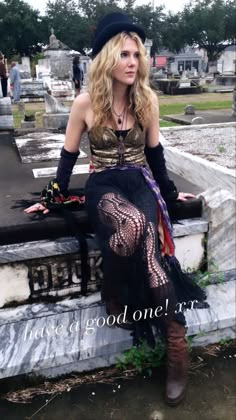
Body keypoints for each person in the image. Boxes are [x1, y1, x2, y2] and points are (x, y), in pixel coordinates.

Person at [24, 13, 207, 406]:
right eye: (124, 54)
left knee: (147, 243)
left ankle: (176, 347)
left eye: (136, 55)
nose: (132, 62)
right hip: (104, 185)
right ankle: (120, 297)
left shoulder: (147, 100)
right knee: (137, 224)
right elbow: (68, 157)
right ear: (108, 58)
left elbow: (156, 158)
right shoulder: (85, 103)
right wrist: (52, 197)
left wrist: (172, 197)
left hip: (140, 182)